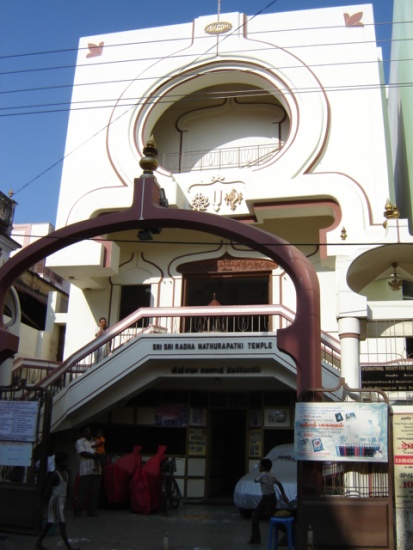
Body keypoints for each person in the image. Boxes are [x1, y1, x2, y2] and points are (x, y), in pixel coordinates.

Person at [35, 451, 80, 550]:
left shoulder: (65, 473)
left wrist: (74, 497)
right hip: (56, 500)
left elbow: (68, 488)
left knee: (50, 522)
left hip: (60, 500)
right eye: (65, 461)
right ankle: (69, 547)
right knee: (62, 524)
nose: (67, 463)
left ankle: (38, 543)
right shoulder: (56, 474)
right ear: (60, 462)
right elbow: (47, 489)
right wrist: (41, 502)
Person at [248, 457, 289, 544]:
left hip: (267, 499)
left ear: (262, 467)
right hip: (270, 498)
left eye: (259, 465)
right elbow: (279, 484)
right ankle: (255, 539)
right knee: (257, 516)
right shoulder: (271, 475)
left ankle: (289, 531)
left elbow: (255, 480)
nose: (259, 467)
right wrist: (284, 495)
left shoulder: (262, 475)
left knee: (270, 518)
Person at [73, 426, 102, 517]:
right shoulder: (80, 442)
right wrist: (95, 456)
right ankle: (78, 511)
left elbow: (101, 451)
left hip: (97, 470)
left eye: (89, 431)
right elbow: (83, 453)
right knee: (82, 492)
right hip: (86, 470)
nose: (88, 433)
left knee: (95, 492)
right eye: (86, 432)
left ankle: (92, 511)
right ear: (82, 433)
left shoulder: (96, 441)